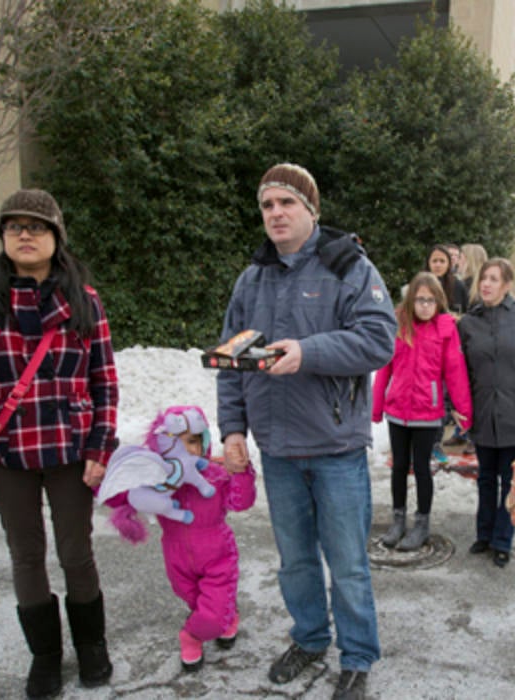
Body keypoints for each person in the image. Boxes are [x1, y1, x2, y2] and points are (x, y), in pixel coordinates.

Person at [0, 189, 117, 699]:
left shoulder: (85, 300)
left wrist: (101, 447)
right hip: (5, 453)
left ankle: (93, 645)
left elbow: (105, 380)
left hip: (70, 450)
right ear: (4, 238)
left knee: (77, 552)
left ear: (56, 238)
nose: (25, 235)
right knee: (26, 554)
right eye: (15, 227)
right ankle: (46, 658)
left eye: (37, 227)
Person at [218, 163, 396, 700]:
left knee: (346, 564)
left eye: (286, 203)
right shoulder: (253, 278)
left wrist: (308, 352)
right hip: (277, 448)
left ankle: (358, 656)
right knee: (295, 562)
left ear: (310, 211)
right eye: (267, 205)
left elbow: (379, 340)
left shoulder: (350, 267)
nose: (275, 213)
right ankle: (311, 638)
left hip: (336, 447)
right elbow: (232, 357)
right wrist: (232, 430)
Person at [103, 406, 256, 673]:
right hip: (176, 557)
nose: (189, 450)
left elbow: (241, 502)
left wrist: (241, 472)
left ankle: (193, 636)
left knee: (213, 612)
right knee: (195, 600)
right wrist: (102, 480)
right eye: (180, 442)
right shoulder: (157, 481)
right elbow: (121, 497)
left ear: (205, 442)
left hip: (217, 554)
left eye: (195, 441)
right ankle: (225, 615)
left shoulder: (214, 475)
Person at [372, 273, 473, 551]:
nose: (425, 305)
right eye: (420, 300)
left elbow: (455, 371)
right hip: (397, 411)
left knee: (422, 469)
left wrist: (463, 410)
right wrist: (377, 404)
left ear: (438, 301)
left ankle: (422, 523)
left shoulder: (445, 329)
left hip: (427, 413)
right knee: (399, 467)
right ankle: (398, 520)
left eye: (430, 300)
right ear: (411, 300)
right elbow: (385, 367)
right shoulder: (400, 324)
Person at [457, 258, 515, 568]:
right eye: (484, 278)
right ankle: (483, 535)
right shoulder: (468, 323)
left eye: (494, 279)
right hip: (483, 413)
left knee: (510, 481)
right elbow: (461, 372)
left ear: (507, 285)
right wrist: (460, 410)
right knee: (485, 478)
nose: (486, 284)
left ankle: (502, 540)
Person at [425, 244, 470, 316]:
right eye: (434, 261)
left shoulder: (458, 285)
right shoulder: (420, 284)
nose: (438, 265)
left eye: (442, 261)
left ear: (448, 264)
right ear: (428, 263)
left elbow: (465, 313)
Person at [459, 243, 489, 308]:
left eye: (460, 258)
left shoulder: (463, 285)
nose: (458, 262)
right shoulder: (489, 284)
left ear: (468, 260)